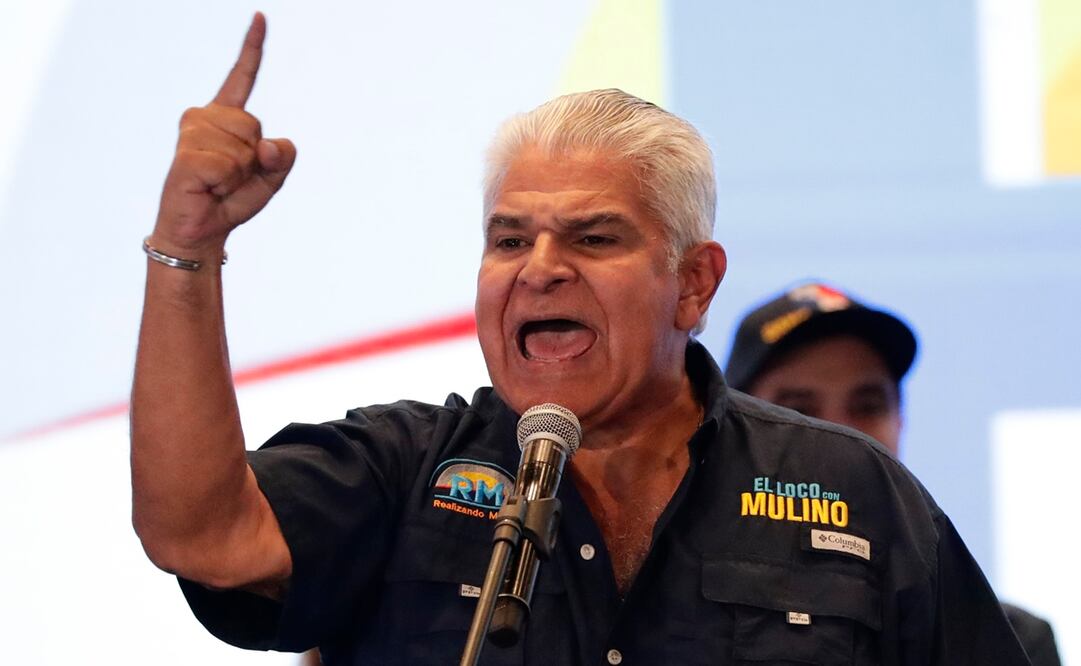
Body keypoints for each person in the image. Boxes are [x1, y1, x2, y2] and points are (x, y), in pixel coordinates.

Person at [130, 14, 1033, 665]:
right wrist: (188, 251)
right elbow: (201, 534)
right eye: (508, 240)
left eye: (593, 238)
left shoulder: (853, 491)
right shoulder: (401, 472)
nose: (539, 268)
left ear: (693, 283)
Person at [725, 280, 1062, 666]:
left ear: (901, 421)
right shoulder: (683, 615)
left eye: (867, 406)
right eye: (798, 411)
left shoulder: (1013, 641)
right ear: (740, 430)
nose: (840, 435)